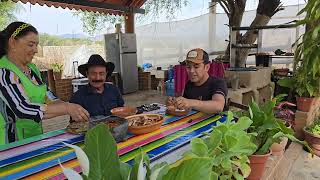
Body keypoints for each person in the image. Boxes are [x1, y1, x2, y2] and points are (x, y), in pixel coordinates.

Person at [0, 22, 89, 144]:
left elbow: (47, 96)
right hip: (9, 143)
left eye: (36, 45)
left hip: (33, 137)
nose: (36, 50)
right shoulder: (4, 72)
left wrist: (72, 108)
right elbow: (23, 109)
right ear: (12, 42)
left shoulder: (32, 69)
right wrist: (66, 108)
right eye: (31, 45)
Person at [167, 48, 227, 113]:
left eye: (196, 67)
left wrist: (190, 102)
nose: (191, 71)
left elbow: (218, 106)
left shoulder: (217, 83)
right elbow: (185, 107)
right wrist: (175, 104)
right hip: (195, 121)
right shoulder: (189, 84)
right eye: (188, 67)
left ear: (207, 67)